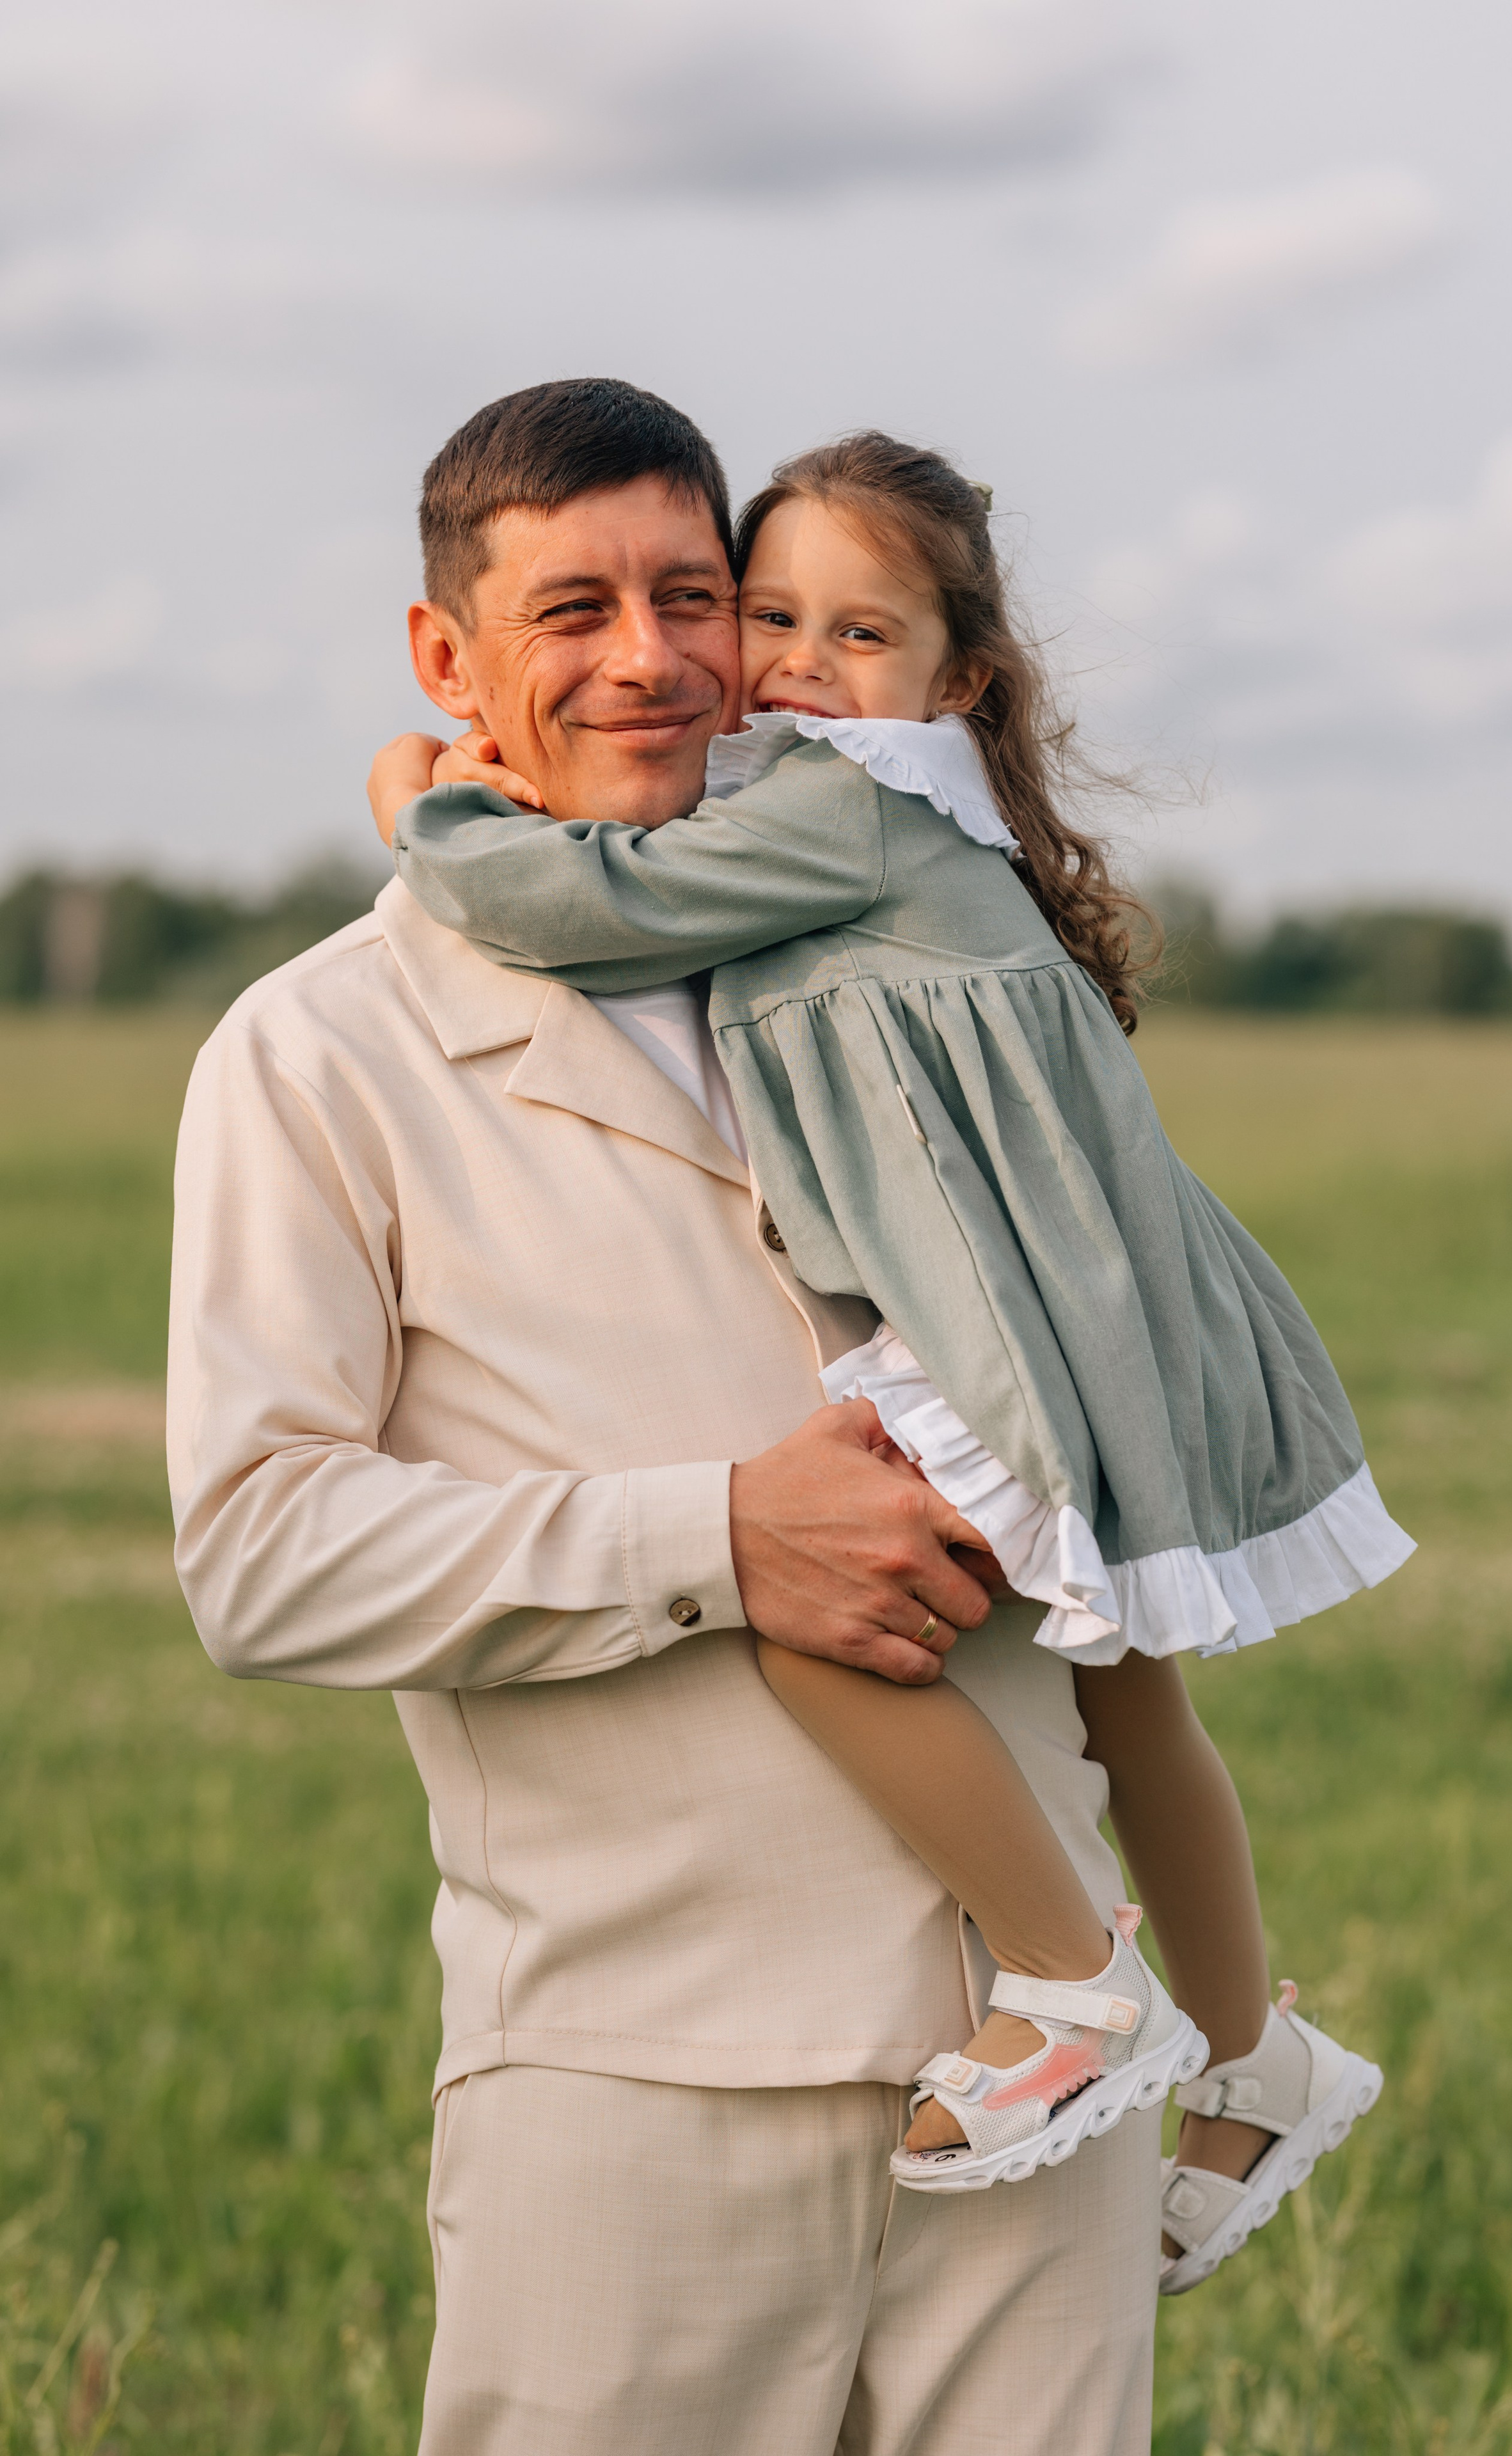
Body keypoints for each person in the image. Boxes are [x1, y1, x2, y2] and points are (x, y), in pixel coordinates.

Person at [169, 378, 1171, 2456]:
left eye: (692, 595)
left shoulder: (907, 934)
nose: (650, 657)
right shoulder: (314, 1057)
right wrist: (714, 1536)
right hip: (635, 2081)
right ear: (447, 658)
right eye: (572, 609)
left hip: (1043, 2056)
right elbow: (257, 1552)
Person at [373, 429, 1411, 2284]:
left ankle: (1080, 1992)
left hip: (1008, 1320)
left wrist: (424, 804)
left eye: (856, 633)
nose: (790, 664)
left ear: (958, 676)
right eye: (767, 615)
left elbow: (584, 907)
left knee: (815, 1619)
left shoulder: (844, 807)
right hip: (1085, 1301)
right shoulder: (889, 799)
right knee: (1131, 1691)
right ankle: (1260, 2050)